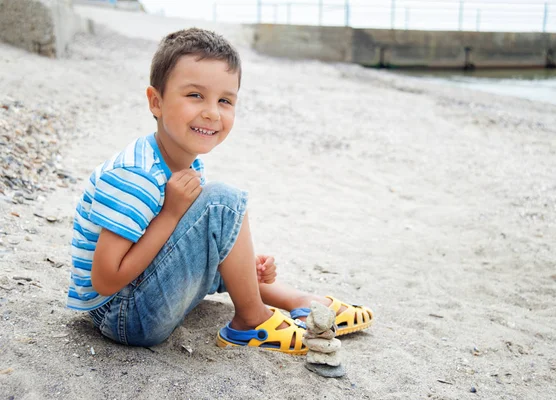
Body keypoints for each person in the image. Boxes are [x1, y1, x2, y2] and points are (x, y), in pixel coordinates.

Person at [66, 28, 374, 354]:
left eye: (224, 100)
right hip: (121, 315)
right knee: (221, 204)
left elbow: (179, 240)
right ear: (156, 102)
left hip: (139, 295)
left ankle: (299, 301)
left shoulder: (185, 163)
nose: (212, 112)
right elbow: (105, 280)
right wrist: (171, 214)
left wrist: (239, 259)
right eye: (195, 95)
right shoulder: (135, 175)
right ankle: (251, 320)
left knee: (222, 226)